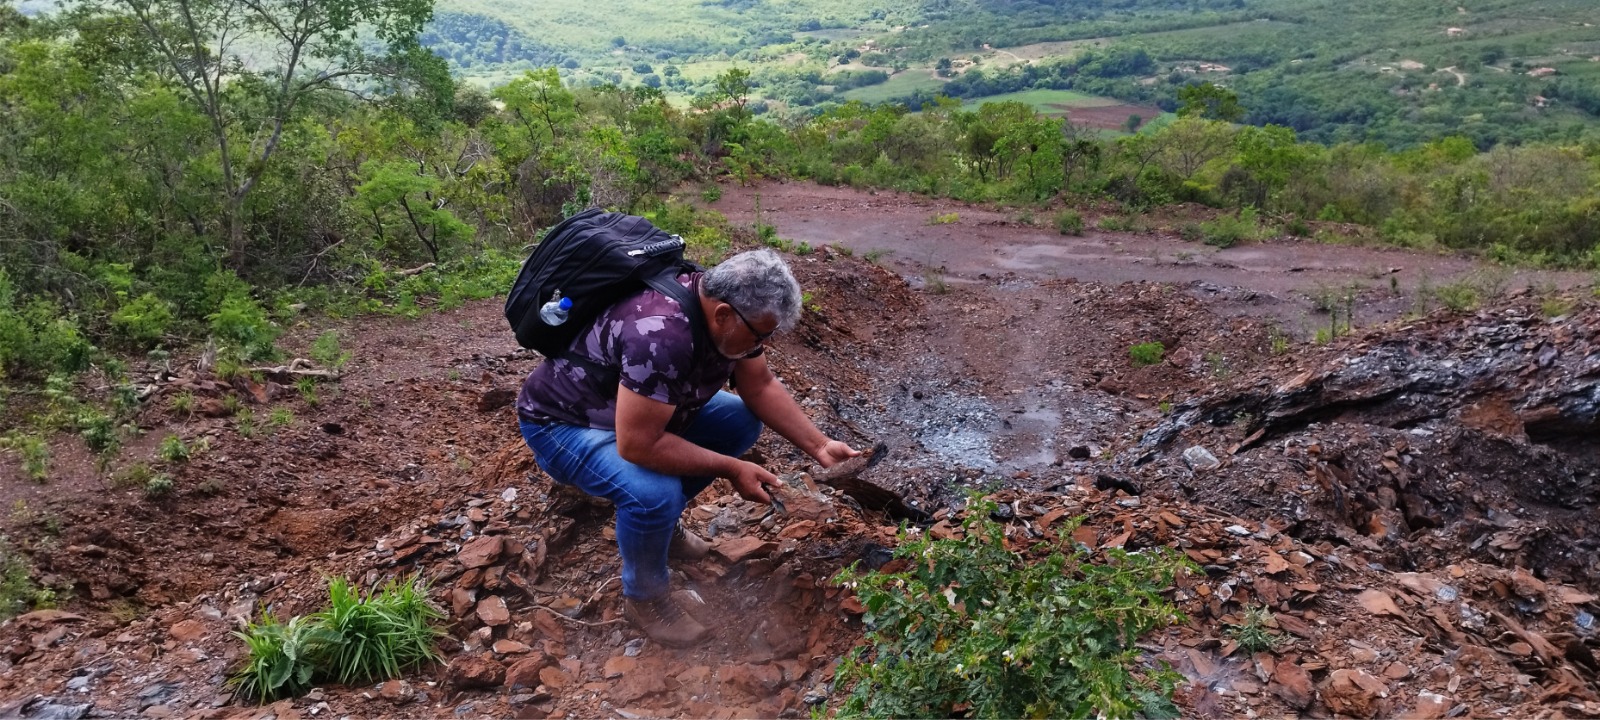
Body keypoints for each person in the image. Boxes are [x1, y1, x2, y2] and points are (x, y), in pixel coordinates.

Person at [515, 248, 859, 647]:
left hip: (638, 408)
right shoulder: (662, 334)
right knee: (652, 494)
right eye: (761, 335)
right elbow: (639, 445)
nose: (762, 343)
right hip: (565, 422)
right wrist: (733, 468)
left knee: (739, 421)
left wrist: (819, 446)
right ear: (724, 314)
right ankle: (645, 598)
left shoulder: (732, 315)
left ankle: (660, 530)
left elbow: (760, 385)